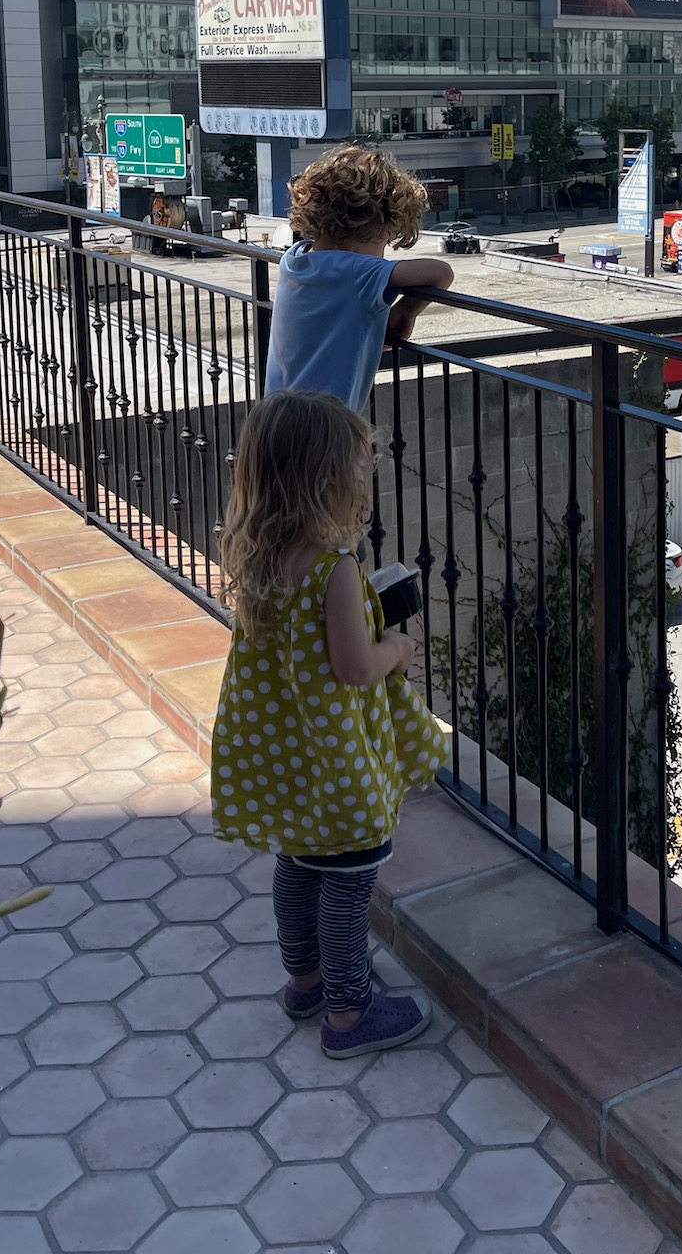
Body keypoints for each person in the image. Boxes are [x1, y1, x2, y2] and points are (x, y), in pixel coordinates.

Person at [210, 391, 447, 1057]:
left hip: (286, 761)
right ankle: (349, 1010)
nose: (364, 480)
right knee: (348, 882)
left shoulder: (259, 559)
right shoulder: (333, 571)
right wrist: (396, 649)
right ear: (325, 481)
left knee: (298, 868)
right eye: (358, 468)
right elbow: (352, 667)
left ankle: (305, 981)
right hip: (334, 764)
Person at [264, 145, 455, 410]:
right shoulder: (360, 271)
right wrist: (404, 313)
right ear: (377, 228)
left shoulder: (294, 259)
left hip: (273, 417)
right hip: (326, 426)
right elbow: (441, 273)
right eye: (387, 241)